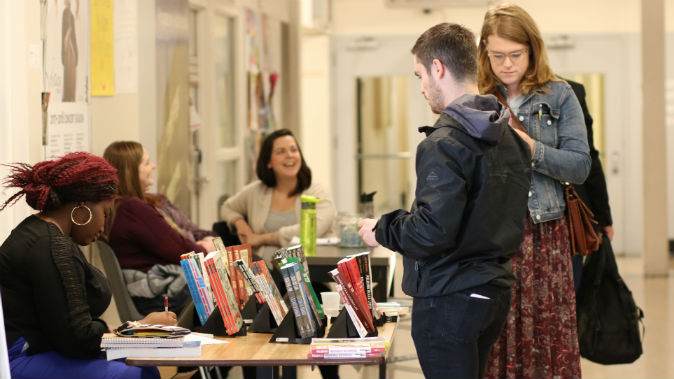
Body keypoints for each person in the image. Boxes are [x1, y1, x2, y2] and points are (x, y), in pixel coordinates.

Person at [358, 23, 532, 379]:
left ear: (438, 68)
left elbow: (432, 232)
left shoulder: (443, 143)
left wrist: (383, 229)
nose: (421, 87)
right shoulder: (511, 138)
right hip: (492, 294)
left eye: (420, 75)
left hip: (449, 298)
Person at [477, 4, 592, 378]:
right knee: (497, 335)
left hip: (545, 232)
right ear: (485, 52)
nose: (507, 64)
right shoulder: (476, 99)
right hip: (493, 236)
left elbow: (580, 165)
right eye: (497, 55)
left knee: (547, 333)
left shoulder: (559, 95)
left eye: (516, 54)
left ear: (532, 50)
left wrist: (532, 150)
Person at [0, 152, 176, 379]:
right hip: (16, 360)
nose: (104, 226)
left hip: (40, 349)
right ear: (82, 208)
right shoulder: (52, 247)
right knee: (130, 375)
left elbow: (73, 333)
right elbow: (78, 340)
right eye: (105, 212)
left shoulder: (41, 231)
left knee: (144, 367)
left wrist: (136, 330)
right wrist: (138, 328)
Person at [104, 141, 214, 315]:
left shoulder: (116, 207)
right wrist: (208, 246)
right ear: (130, 171)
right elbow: (186, 253)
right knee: (234, 274)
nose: (153, 166)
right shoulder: (132, 209)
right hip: (160, 296)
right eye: (147, 163)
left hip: (147, 292)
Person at [220, 128, 336, 262]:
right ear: (268, 162)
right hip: (264, 276)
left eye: (294, 150)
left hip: (310, 275)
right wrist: (239, 223)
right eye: (281, 152)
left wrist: (261, 238)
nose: (290, 155)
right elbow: (227, 208)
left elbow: (312, 230)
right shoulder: (255, 192)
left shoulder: (317, 192)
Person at [565, 78, 614, 292]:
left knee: (568, 295)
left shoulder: (571, 92)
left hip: (570, 213)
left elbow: (589, 157)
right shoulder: (487, 92)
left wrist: (603, 217)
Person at [61, 0, 78, 102]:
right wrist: (66, 41)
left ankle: (71, 96)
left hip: (71, 46)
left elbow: (72, 31)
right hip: (67, 46)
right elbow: (66, 30)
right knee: (68, 71)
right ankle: (68, 96)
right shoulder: (65, 13)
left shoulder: (70, 14)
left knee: (71, 71)